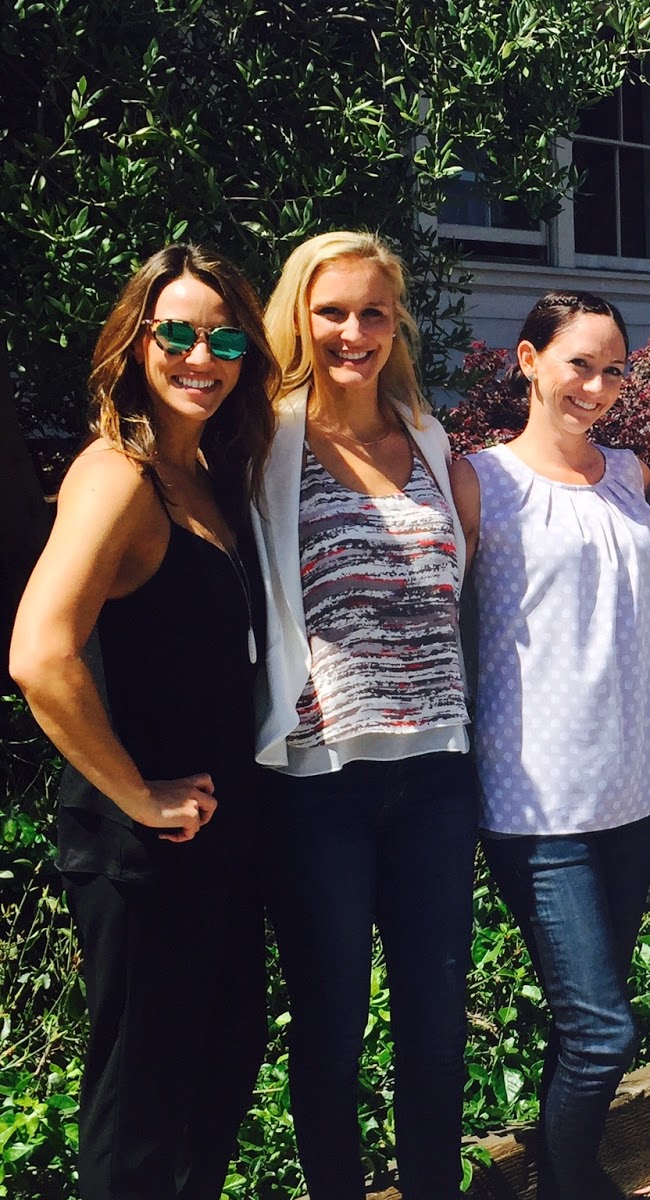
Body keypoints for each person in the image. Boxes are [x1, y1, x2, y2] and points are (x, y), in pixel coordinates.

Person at [10, 244, 277, 1200]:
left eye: (226, 339)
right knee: (142, 1110)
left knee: (217, 1079)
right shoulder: (118, 474)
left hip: (218, 837)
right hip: (143, 851)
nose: (202, 357)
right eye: (177, 334)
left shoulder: (205, 471)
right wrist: (137, 795)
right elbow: (40, 652)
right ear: (135, 343)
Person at [255, 231, 476, 1198]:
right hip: (322, 778)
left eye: (373, 312)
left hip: (437, 772)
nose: (353, 332)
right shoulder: (265, 442)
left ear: (397, 324)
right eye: (332, 312)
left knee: (436, 1020)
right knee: (332, 1022)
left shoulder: (427, 437)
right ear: (299, 319)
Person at [448, 290, 650, 1200]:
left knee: (588, 1022)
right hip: (536, 802)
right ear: (529, 360)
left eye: (614, 370)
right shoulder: (478, 481)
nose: (599, 386)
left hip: (635, 789)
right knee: (603, 1030)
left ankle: (569, 1177)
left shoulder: (632, 474)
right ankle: (575, 1185)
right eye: (580, 363)